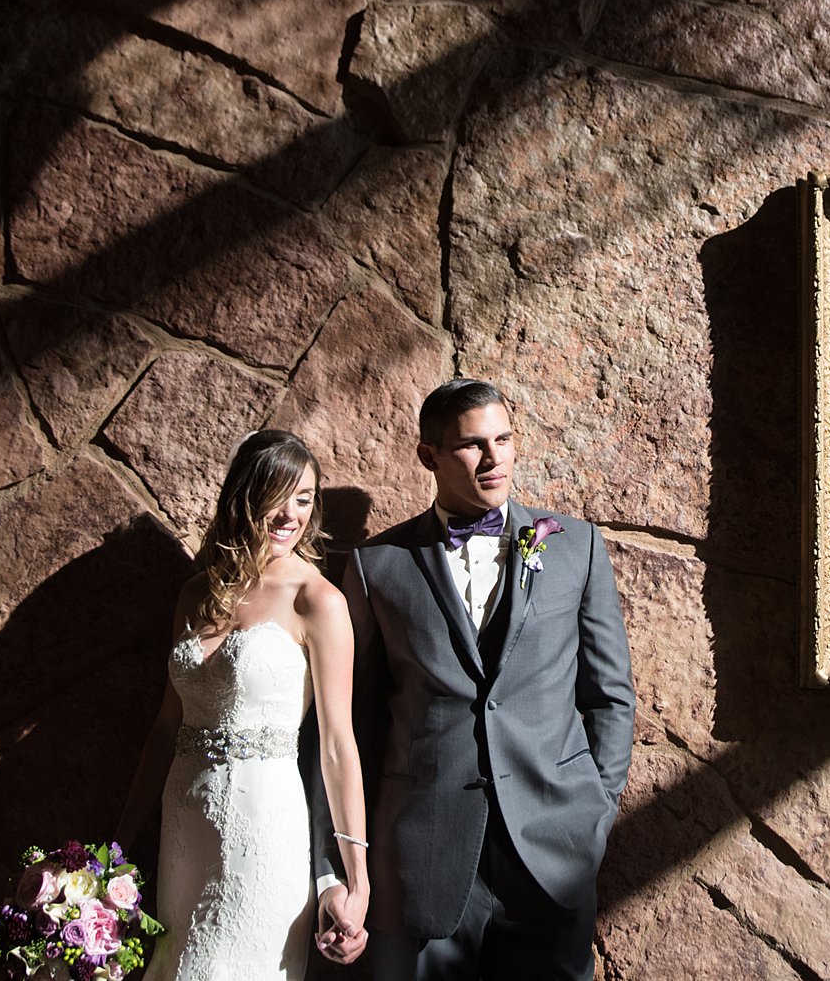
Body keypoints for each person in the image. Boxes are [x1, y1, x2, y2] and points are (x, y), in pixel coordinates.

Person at [313, 378, 636, 981]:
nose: (494, 459)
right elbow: (351, 727)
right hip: (418, 861)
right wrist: (339, 865)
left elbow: (609, 697)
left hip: (553, 854)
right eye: (472, 445)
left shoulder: (576, 547)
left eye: (504, 439)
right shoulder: (376, 565)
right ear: (427, 456)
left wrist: (595, 812)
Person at [119, 429, 369, 980]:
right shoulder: (195, 594)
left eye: (304, 499)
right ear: (244, 495)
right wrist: (117, 845)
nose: (290, 514)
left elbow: (336, 744)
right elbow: (166, 728)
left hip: (262, 831)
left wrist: (357, 879)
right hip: (183, 828)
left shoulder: (318, 600)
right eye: (279, 495)